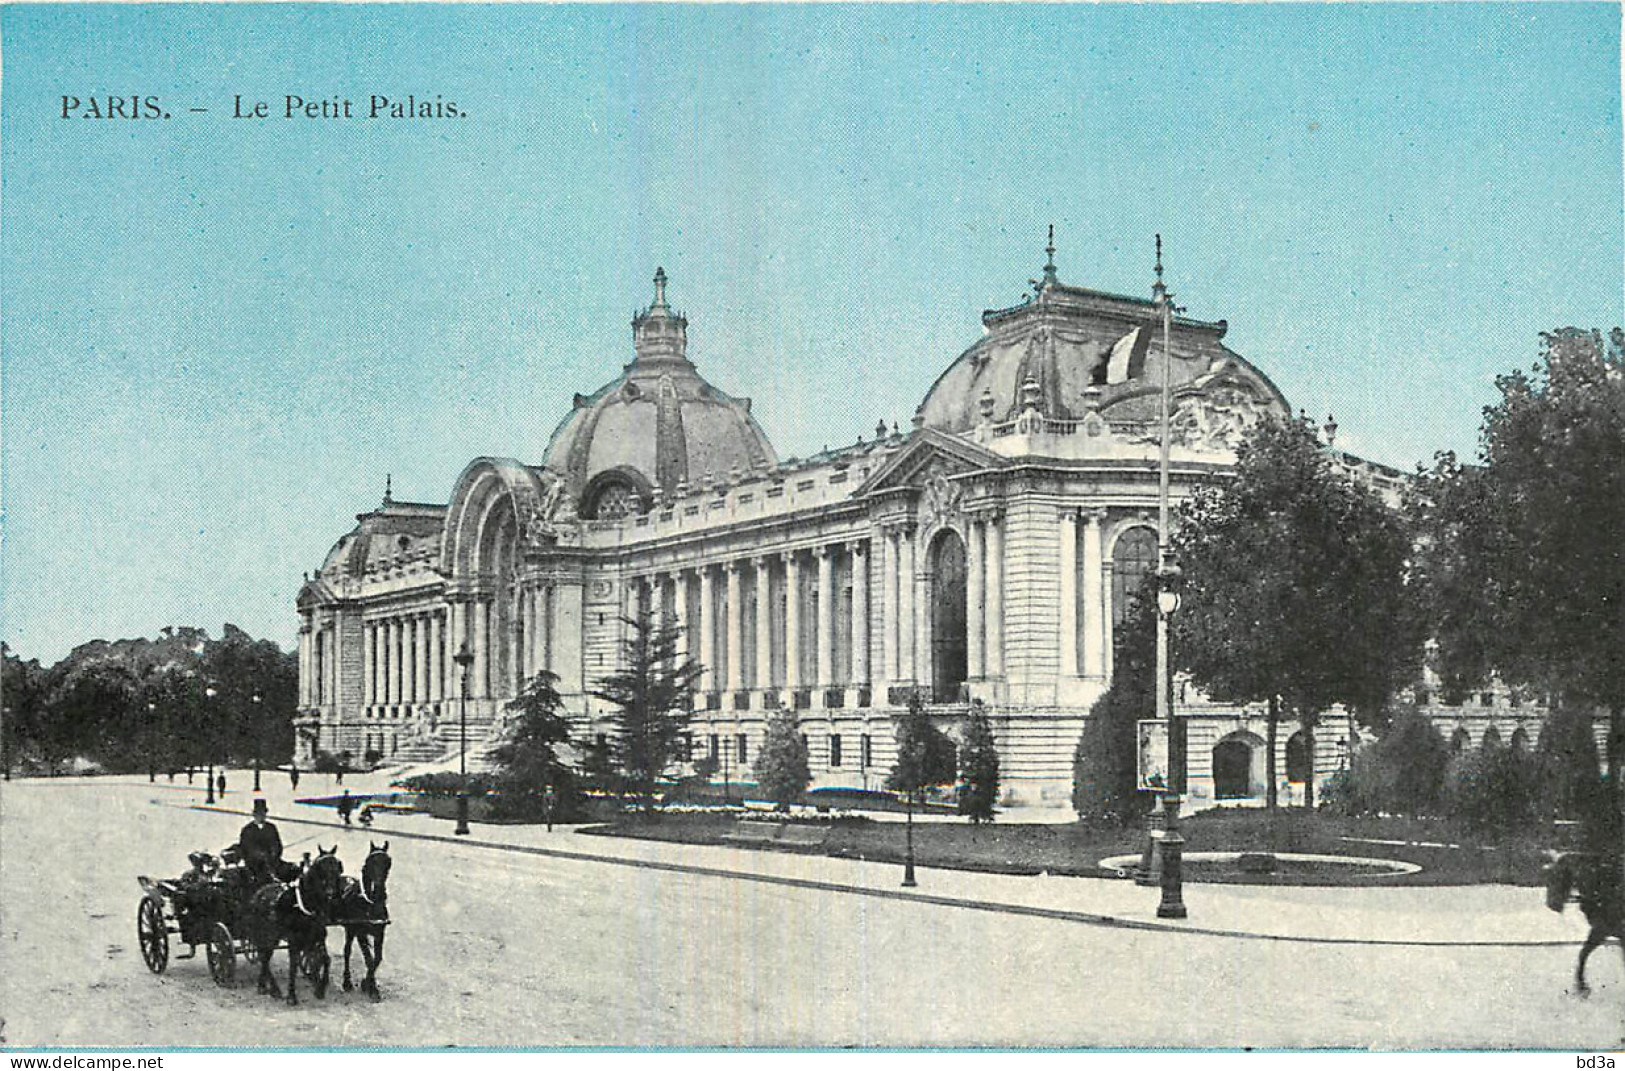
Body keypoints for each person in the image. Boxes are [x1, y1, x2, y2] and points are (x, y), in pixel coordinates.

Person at [238, 798, 293, 886]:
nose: (261, 816)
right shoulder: (247, 830)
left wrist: (274, 853)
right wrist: (261, 856)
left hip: (273, 863)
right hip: (254, 866)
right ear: (254, 815)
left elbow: (278, 845)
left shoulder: (271, 828)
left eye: (263, 814)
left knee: (291, 870)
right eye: (259, 814)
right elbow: (246, 849)